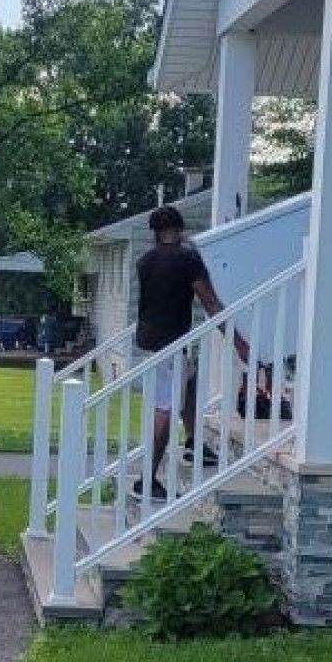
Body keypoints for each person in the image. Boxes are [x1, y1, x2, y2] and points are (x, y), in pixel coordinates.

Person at [132, 205, 233, 501]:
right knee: (165, 409)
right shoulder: (188, 259)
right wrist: (237, 340)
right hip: (171, 344)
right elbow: (210, 302)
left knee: (189, 380)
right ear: (180, 229)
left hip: (150, 339)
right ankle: (146, 480)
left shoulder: (145, 261)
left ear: (155, 233)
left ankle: (194, 443)